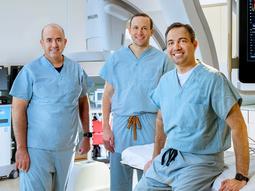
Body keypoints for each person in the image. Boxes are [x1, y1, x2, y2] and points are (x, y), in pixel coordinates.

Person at [135, 22, 250, 191]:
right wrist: (155, 158)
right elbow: (160, 121)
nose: (176, 47)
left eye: (182, 41)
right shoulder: (166, 81)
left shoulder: (213, 79)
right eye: (171, 43)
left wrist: (241, 176)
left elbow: (238, 126)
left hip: (201, 162)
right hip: (169, 157)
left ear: (194, 44)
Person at [10, 23, 91, 191]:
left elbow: (83, 102)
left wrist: (86, 136)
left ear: (65, 42)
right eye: (49, 40)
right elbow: (17, 110)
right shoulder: (30, 71)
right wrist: (21, 149)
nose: (54, 44)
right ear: (42, 43)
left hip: (66, 147)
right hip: (36, 149)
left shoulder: (76, 70)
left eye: (58, 39)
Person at [100, 13, 174, 191]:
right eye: (135, 28)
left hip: (151, 124)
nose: (139, 32)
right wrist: (105, 127)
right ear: (129, 30)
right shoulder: (116, 58)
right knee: (119, 182)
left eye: (144, 28)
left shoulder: (162, 59)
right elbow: (107, 95)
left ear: (151, 31)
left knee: (150, 179)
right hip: (121, 125)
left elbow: (169, 97)